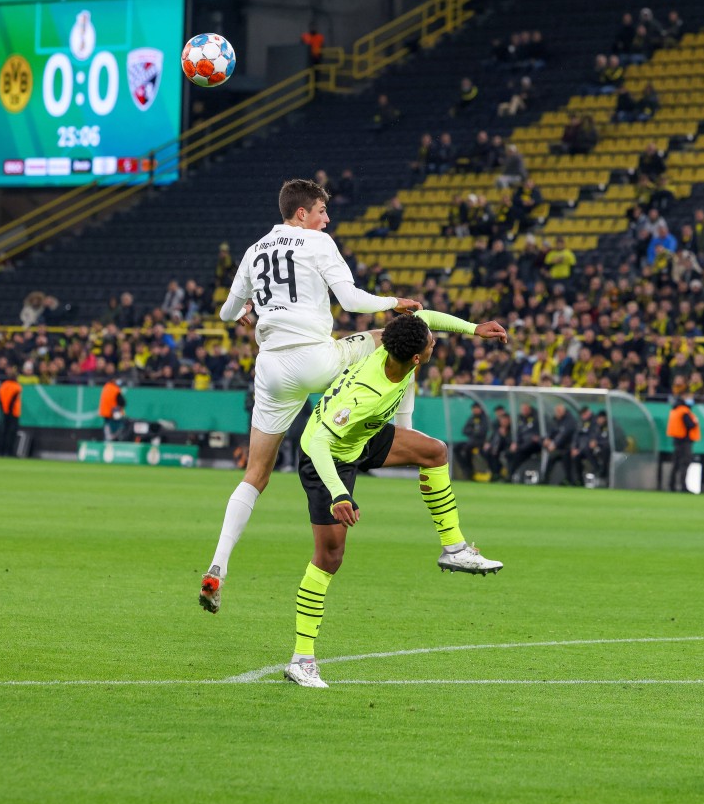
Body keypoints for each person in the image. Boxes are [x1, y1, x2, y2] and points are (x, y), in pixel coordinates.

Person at [200, 178, 424, 614]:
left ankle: (217, 566)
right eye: (322, 211)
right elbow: (353, 301)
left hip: (271, 368)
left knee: (256, 473)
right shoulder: (318, 243)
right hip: (317, 358)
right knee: (399, 338)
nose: (327, 219)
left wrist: (248, 313)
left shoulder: (253, 250)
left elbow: (228, 312)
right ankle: (405, 435)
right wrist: (394, 300)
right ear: (302, 213)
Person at [285, 314, 505, 688]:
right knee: (330, 557)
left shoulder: (392, 350)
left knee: (434, 451)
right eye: (431, 343)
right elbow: (320, 440)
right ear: (417, 359)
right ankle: (302, 658)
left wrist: (473, 330)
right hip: (327, 458)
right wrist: (339, 494)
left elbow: (423, 317)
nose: (434, 341)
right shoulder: (367, 393)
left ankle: (453, 547)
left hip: (361, 437)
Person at [666, 378, 700, 492]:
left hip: (677, 440)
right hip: (684, 441)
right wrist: (695, 421)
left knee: (675, 464)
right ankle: (683, 486)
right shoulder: (684, 410)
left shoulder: (675, 409)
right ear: (685, 397)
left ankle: (671, 486)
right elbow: (689, 425)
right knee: (684, 464)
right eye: (690, 397)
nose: (691, 399)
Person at [541, 403, 578, 485]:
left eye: (558, 411)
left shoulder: (570, 420)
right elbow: (552, 431)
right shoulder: (556, 420)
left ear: (563, 411)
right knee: (550, 460)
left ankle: (571, 480)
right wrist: (547, 438)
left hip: (568, 447)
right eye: (556, 411)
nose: (557, 413)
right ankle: (545, 479)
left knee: (566, 461)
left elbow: (564, 434)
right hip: (559, 448)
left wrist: (554, 444)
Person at [453, 402, 489, 479]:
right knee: (456, 448)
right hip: (471, 441)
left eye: (476, 408)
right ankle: (466, 468)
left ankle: (469, 471)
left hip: (481, 442)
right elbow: (464, 430)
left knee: (467, 449)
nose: (475, 410)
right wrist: (474, 431)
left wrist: (473, 431)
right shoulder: (472, 418)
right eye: (474, 409)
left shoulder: (484, 418)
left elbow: (482, 432)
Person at [0, 367, 22, 456]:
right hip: (13, 413)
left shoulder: (3, 385)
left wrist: (4, 410)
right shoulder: (17, 387)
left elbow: (0, 399)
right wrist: (10, 411)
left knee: (2, 432)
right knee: (11, 433)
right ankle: (9, 452)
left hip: (4, 412)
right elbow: (12, 401)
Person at [99, 378, 126, 442]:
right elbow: (122, 402)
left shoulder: (106, 387)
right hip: (114, 412)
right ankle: (114, 440)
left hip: (106, 412)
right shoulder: (115, 389)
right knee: (117, 427)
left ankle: (107, 440)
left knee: (107, 427)